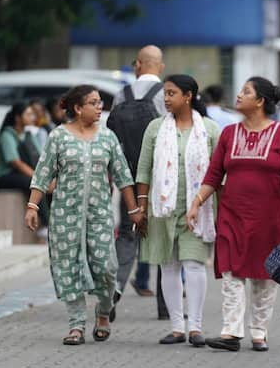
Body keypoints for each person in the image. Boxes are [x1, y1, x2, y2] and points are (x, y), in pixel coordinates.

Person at [187, 76, 280, 352]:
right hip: (232, 213)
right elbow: (214, 174)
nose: (238, 95)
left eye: (246, 92)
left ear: (261, 101)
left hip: (271, 216)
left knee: (265, 274)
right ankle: (231, 332)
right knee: (231, 271)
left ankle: (259, 331)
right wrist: (196, 203)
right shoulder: (229, 134)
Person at [25, 85, 142, 345]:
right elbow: (43, 173)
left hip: (99, 215)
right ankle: (76, 324)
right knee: (70, 267)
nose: (99, 107)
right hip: (65, 216)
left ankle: (103, 312)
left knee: (107, 267)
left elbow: (123, 176)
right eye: (94, 103)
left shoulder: (108, 137)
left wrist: (134, 210)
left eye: (100, 102)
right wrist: (33, 206)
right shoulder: (58, 137)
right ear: (78, 109)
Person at [135, 75, 220, 346]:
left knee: (194, 265)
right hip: (162, 210)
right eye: (165, 93)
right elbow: (144, 169)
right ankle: (176, 327)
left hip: (199, 210)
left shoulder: (209, 129)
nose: (166, 98)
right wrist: (141, 207)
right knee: (168, 266)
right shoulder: (155, 128)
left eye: (172, 93)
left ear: (189, 96)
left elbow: (220, 174)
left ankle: (194, 327)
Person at [108, 45, 167, 317]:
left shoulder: (122, 94)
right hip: (160, 179)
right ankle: (166, 305)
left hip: (128, 177)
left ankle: (113, 293)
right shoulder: (168, 94)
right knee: (164, 239)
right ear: (160, 66)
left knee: (128, 237)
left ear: (138, 65)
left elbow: (111, 138)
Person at [0, 102, 49, 238]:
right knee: (34, 184)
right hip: (6, 176)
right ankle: (45, 224)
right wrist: (37, 177)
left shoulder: (29, 135)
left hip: (25, 173)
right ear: (18, 118)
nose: (32, 117)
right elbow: (15, 162)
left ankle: (54, 222)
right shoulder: (7, 135)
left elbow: (41, 156)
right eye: (28, 114)